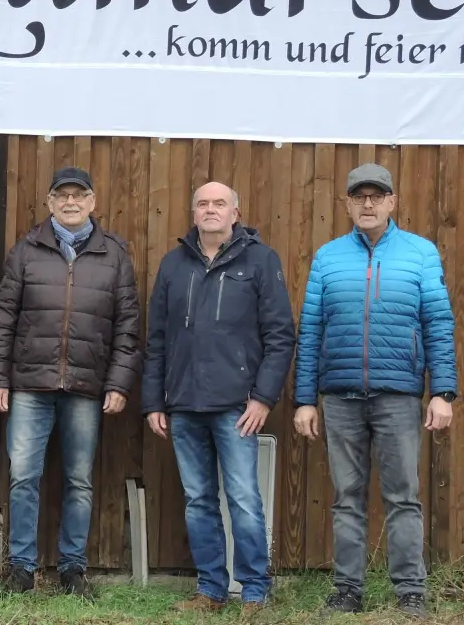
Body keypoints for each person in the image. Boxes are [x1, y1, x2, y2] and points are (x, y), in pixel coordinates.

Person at [293, 163, 459, 619]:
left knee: (403, 496)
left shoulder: (421, 253)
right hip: (340, 396)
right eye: (359, 196)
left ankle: (411, 592)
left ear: (392, 202)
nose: (368, 204)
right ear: (346, 203)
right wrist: (305, 399)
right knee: (346, 498)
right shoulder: (327, 257)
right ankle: (348, 590)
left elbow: (438, 323)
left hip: (399, 396)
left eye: (376, 196)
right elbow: (310, 331)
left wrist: (442, 390)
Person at [0, 166, 140, 598]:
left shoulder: (114, 255)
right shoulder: (26, 251)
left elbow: (127, 328)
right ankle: (21, 570)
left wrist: (118, 384)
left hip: (87, 389)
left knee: (79, 481)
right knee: (23, 478)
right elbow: (2, 322)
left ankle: (72, 569)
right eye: (62, 195)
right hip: (30, 386)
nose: (71, 202)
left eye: (80, 195)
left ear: (93, 203)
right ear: (49, 202)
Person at [143, 182, 294, 612]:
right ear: (194, 214)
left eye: (220, 203)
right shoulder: (173, 266)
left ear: (235, 212)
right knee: (198, 500)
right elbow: (156, 341)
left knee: (244, 498)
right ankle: (210, 590)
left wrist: (263, 398)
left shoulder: (261, 262)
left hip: (237, 407)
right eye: (203, 204)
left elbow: (281, 336)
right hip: (184, 406)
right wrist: (154, 401)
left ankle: (254, 591)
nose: (211, 210)